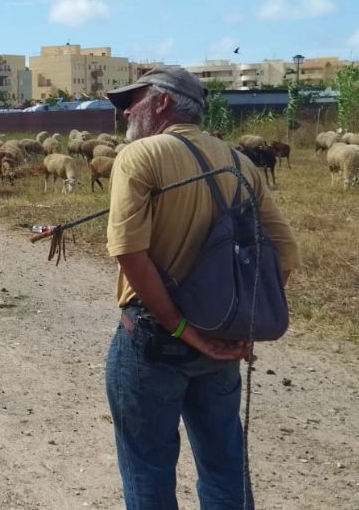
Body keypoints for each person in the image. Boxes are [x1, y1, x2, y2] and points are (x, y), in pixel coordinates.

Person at [103, 65, 300, 509]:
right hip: (219, 343)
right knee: (225, 469)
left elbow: (130, 253)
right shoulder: (240, 162)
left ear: (162, 102)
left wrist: (182, 329)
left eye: (133, 100)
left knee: (149, 473)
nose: (126, 111)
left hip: (153, 340)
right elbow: (285, 252)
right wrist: (237, 318)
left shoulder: (139, 156)